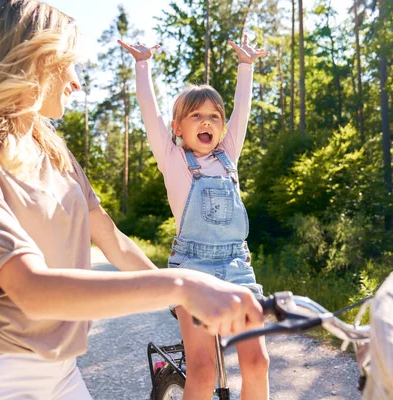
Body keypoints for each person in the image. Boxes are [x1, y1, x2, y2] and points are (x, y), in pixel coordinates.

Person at [0, 1, 264, 399]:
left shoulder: (54, 151)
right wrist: (181, 286)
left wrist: (181, 302)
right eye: (68, 64)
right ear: (32, 60)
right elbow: (29, 288)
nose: (76, 81)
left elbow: (113, 241)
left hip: (60, 370)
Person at [119, 35, 271, 399]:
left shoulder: (228, 153)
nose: (208, 122)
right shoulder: (172, 159)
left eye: (214, 117)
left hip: (237, 267)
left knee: (257, 363)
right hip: (192, 269)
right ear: (178, 127)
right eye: (197, 115)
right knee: (202, 370)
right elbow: (149, 111)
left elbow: (242, 110)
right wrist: (143, 65)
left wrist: (245, 67)